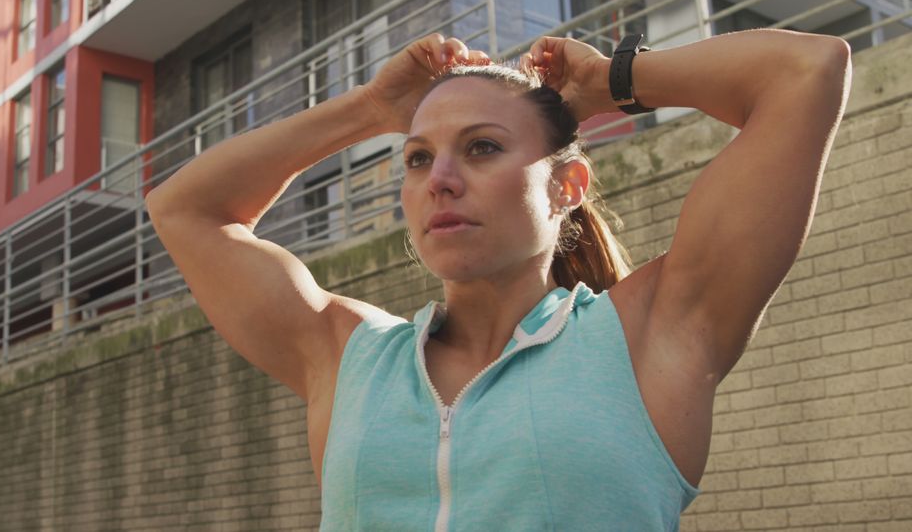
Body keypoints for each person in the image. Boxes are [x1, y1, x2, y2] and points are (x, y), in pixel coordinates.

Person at [146, 29, 851, 529]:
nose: (440, 181)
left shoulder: (653, 335)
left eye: (482, 148)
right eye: (418, 159)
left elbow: (805, 71)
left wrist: (611, 82)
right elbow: (185, 209)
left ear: (565, 185)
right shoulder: (347, 357)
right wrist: (373, 110)